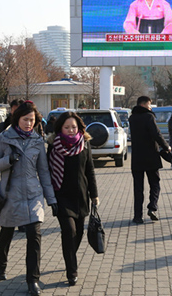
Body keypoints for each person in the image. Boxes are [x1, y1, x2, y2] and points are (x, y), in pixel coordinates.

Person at [0, 101, 56, 296]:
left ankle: (32, 280)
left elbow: (43, 172)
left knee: (34, 235)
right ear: (17, 119)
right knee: (6, 232)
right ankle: (0, 265)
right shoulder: (4, 138)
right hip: (10, 195)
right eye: (25, 120)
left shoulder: (37, 141)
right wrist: (8, 160)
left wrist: (51, 199)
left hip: (33, 195)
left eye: (32, 120)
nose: (29, 124)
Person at [48, 111, 99, 286]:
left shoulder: (84, 144)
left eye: (74, 127)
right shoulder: (54, 146)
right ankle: (72, 270)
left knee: (78, 233)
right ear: (60, 128)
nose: (70, 130)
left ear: (79, 128)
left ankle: (69, 256)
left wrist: (94, 194)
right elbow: (47, 172)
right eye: (67, 127)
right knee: (69, 231)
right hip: (62, 196)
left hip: (81, 196)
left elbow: (89, 170)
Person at [129, 96, 170, 224]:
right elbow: (156, 134)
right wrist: (166, 146)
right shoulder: (148, 117)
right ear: (144, 104)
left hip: (137, 158)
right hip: (151, 157)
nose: (150, 107)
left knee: (138, 188)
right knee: (155, 184)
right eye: (149, 104)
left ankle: (137, 216)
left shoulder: (132, 118)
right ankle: (152, 207)